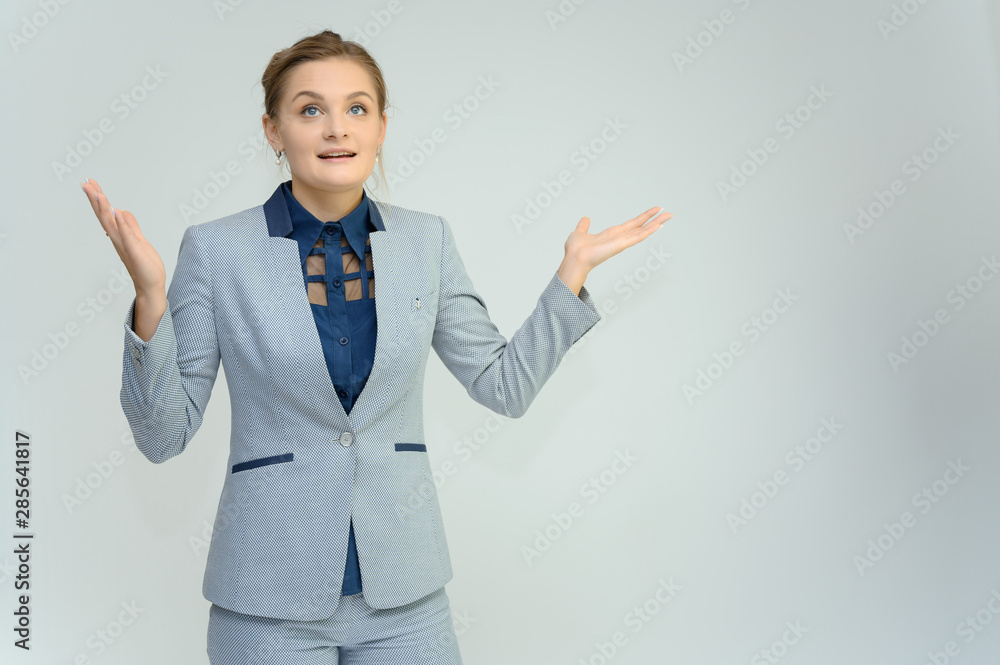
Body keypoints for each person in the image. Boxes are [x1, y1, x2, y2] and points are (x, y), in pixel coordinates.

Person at [80, 29, 671, 665]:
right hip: (267, 596)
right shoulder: (216, 250)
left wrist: (570, 277)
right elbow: (162, 435)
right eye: (311, 109)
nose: (337, 128)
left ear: (382, 128)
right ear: (273, 131)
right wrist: (150, 297)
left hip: (405, 594)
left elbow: (505, 386)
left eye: (357, 108)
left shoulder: (427, 241)